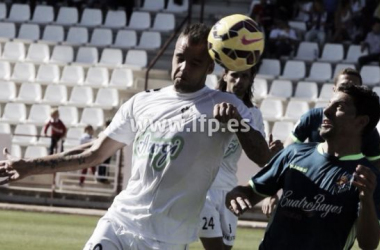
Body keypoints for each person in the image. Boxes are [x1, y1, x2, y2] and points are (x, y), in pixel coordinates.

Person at [0, 23, 271, 250]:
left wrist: (237, 124)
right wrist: (29, 166)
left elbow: (261, 157)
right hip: (119, 223)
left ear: (210, 68)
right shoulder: (142, 102)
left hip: (167, 240)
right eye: (180, 57)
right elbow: (93, 153)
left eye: (195, 62)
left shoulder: (225, 105)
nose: (183, 67)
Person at [226, 84, 380, 250]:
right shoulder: (293, 153)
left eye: (339, 107)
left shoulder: (368, 178)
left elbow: (369, 245)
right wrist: (236, 194)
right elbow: (251, 192)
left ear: (361, 121)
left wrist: (366, 200)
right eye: (329, 104)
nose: (326, 111)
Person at [262, 68, 380, 218]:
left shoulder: (367, 130)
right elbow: (286, 154)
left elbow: (376, 167)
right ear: (334, 89)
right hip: (302, 192)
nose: (347, 91)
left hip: (339, 199)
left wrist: (368, 202)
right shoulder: (313, 117)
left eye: (353, 88)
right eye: (343, 86)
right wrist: (270, 192)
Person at [199, 66, 283, 250]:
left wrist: (271, 154)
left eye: (244, 76)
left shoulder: (254, 114)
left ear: (251, 79)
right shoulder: (207, 104)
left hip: (229, 191)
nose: (239, 81)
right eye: (234, 75)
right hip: (204, 188)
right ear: (225, 76)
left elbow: (263, 159)